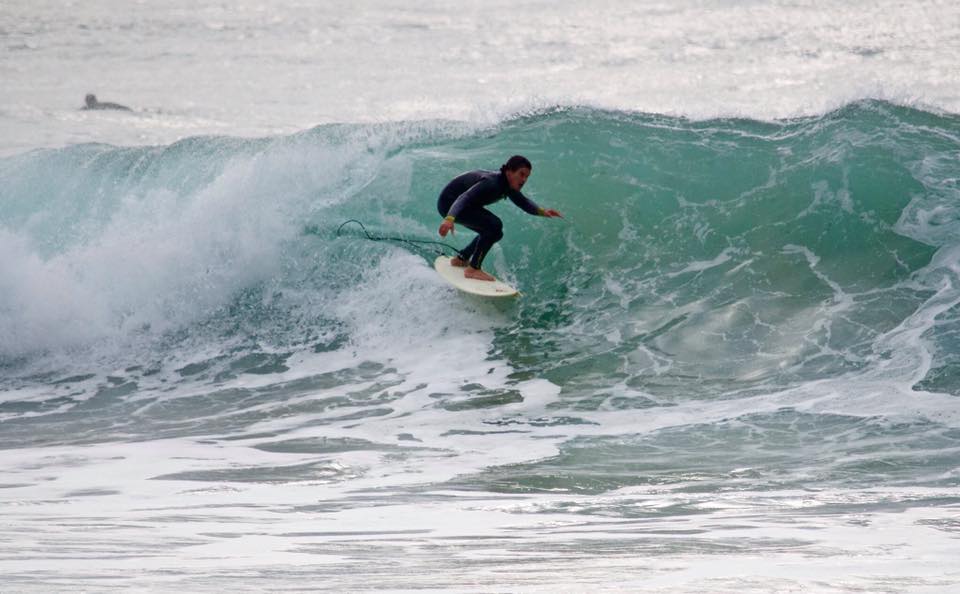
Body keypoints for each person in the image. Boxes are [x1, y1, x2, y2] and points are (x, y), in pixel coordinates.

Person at [437, 155, 562, 281]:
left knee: (495, 233)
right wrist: (449, 218)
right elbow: (464, 197)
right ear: (509, 172)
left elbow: (523, 202)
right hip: (449, 203)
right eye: (521, 174)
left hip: (461, 206)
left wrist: (543, 212)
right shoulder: (492, 182)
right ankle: (473, 269)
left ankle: (461, 259)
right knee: (494, 225)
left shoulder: (507, 185)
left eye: (527, 177)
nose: (524, 180)